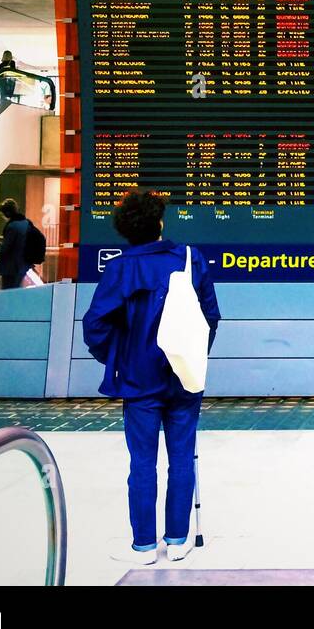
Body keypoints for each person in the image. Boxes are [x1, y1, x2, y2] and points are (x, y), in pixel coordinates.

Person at [82, 189, 220, 567]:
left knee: (142, 462)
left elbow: (94, 324)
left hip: (138, 381)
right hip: (183, 380)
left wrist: (117, 356)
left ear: (126, 229)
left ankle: (143, 546)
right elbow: (210, 317)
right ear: (159, 223)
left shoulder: (121, 268)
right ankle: (177, 541)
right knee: (181, 458)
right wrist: (192, 357)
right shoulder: (191, 259)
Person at [0, 198, 40, 289]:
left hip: (11, 268)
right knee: (16, 289)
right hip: (22, 265)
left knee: (8, 292)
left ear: (7, 213)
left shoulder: (12, 226)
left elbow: (5, 248)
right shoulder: (25, 223)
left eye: (3, 215)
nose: (3, 217)